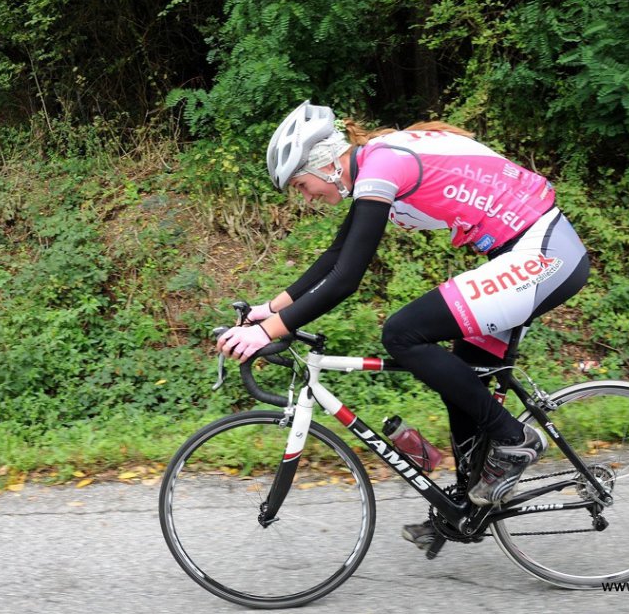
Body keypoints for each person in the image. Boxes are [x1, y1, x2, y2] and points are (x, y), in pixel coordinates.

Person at [216, 101, 590, 535]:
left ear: (325, 165)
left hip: (542, 254)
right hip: (522, 254)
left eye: (301, 184)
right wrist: (271, 309)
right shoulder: (375, 162)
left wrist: (268, 333)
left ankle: (514, 440)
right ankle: (467, 507)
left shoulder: (383, 165)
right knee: (461, 380)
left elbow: (346, 278)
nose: (305, 197)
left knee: (402, 333)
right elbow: (336, 254)